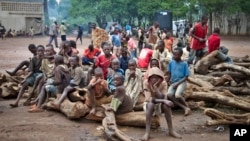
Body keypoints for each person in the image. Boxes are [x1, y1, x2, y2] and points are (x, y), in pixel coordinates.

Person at [141, 67, 181, 141]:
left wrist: (156, 88)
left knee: (166, 105)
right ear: (149, 77)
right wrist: (164, 100)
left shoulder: (163, 83)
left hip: (160, 103)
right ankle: (147, 133)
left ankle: (171, 130)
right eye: (152, 77)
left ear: (160, 78)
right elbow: (149, 99)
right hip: (149, 104)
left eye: (156, 77)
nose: (154, 79)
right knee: (150, 104)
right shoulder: (146, 83)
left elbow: (163, 97)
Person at [166, 48, 191, 116]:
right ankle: (185, 108)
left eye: (176, 55)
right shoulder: (171, 62)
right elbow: (169, 74)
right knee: (169, 95)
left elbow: (186, 77)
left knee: (177, 95)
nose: (174, 56)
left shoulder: (184, 64)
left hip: (181, 82)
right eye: (173, 54)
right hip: (173, 82)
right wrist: (166, 82)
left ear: (180, 55)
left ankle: (187, 107)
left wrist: (178, 83)